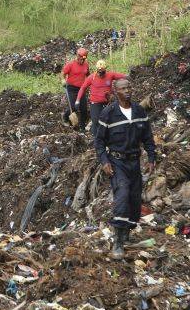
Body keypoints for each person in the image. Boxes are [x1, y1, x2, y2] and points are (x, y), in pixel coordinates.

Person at [94, 79, 156, 260]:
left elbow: (148, 137)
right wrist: (104, 161)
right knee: (122, 195)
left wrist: (151, 157)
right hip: (117, 163)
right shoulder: (108, 114)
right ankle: (117, 243)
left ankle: (127, 234)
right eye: (122, 89)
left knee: (135, 200)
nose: (127, 91)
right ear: (116, 93)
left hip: (134, 162)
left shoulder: (139, 111)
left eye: (129, 87)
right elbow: (99, 141)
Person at [75, 60, 126, 137]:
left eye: (102, 72)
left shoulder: (110, 75)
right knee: (96, 121)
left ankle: (113, 135)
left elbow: (123, 76)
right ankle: (96, 138)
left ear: (105, 69)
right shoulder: (91, 77)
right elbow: (83, 88)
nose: (101, 74)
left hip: (108, 101)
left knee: (112, 118)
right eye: (99, 72)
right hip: (95, 103)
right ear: (97, 70)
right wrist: (77, 100)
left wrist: (130, 75)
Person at [61, 47, 90, 130]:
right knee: (73, 107)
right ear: (77, 56)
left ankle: (82, 127)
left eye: (84, 58)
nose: (82, 60)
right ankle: (65, 117)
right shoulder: (71, 64)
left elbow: (88, 74)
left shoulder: (86, 64)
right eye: (81, 58)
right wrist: (63, 80)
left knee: (83, 109)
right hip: (71, 88)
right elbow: (63, 73)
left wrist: (89, 83)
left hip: (81, 89)